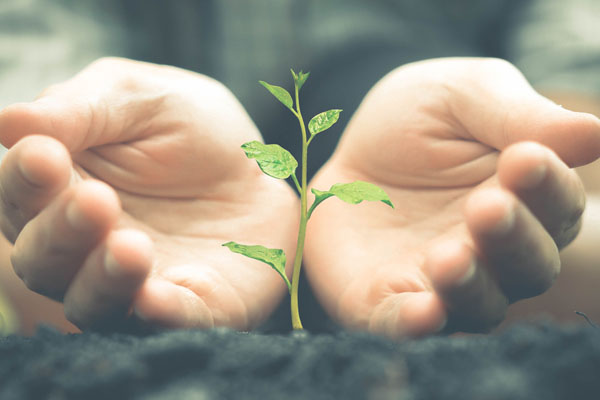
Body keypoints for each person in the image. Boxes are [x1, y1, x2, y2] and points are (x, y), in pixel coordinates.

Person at [0, 0, 599, 338]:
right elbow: (26, 163)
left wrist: (528, 220)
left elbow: (575, 101)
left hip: (442, 228)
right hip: (166, 232)